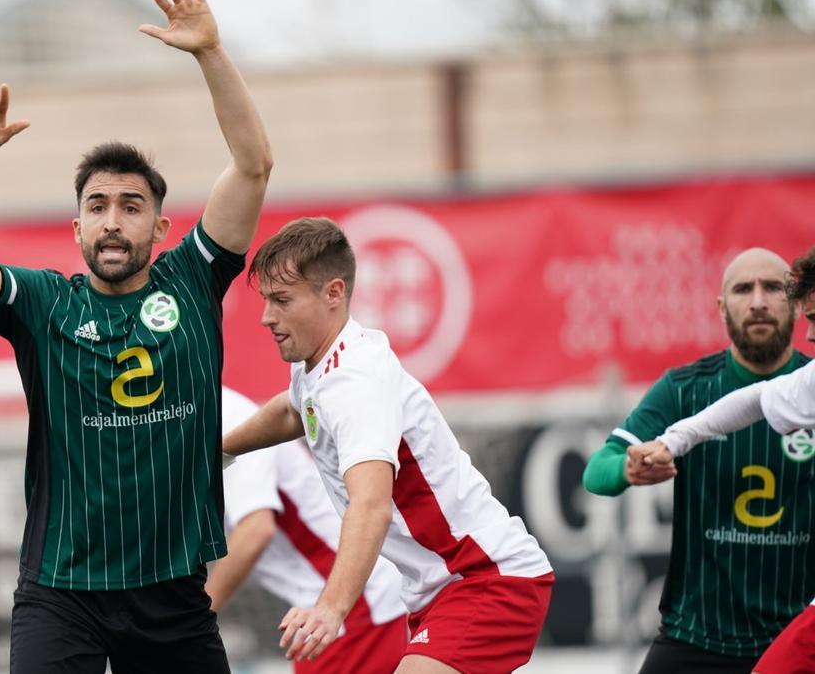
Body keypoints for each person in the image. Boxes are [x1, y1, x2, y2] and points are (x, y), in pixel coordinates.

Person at [0, 0, 272, 670]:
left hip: (172, 593)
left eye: (131, 206)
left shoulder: (191, 280)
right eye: (97, 206)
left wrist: (209, 53)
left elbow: (253, 166)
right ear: (76, 228)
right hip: (62, 592)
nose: (113, 221)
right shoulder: (43, 303)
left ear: (160, 228)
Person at [223, 218, 553, 674]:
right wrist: (219, 451)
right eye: (265, 301)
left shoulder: (355, 382)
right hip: (438, 590)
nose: (266, 317)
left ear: (333, 293)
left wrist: (330, 608)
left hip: (487, 579)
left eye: (281, 301)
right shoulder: (319, 362)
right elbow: (291, 412)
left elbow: (371, 505)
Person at [582, 247, 813, 673]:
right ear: (723, 309)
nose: (758, 301)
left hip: (795, 634)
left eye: (773, 288)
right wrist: (628, 469)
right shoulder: (685, 389)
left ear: (798, 305)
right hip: (697, 635)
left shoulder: (810, 382)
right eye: (744, 289)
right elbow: (597, 472)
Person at [210, 387, 408, 674]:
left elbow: (255, 531)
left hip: (355, 602)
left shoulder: (226, 416)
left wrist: (197, 616)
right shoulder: (176, 418)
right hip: (334, 606)